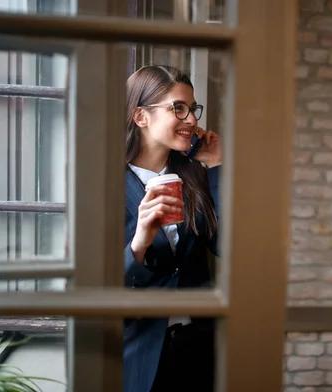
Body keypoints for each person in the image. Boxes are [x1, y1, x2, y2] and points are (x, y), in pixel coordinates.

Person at [122, 64, 221, 392]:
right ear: (141, 116)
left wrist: (217, 166)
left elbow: (232, 246)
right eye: (178, 108)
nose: (192, 120)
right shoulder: (105, 182)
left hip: (199, 351)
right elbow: (93, 284)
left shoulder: (196, 176)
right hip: (138, 354)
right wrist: (140, 242)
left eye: (192, 109)